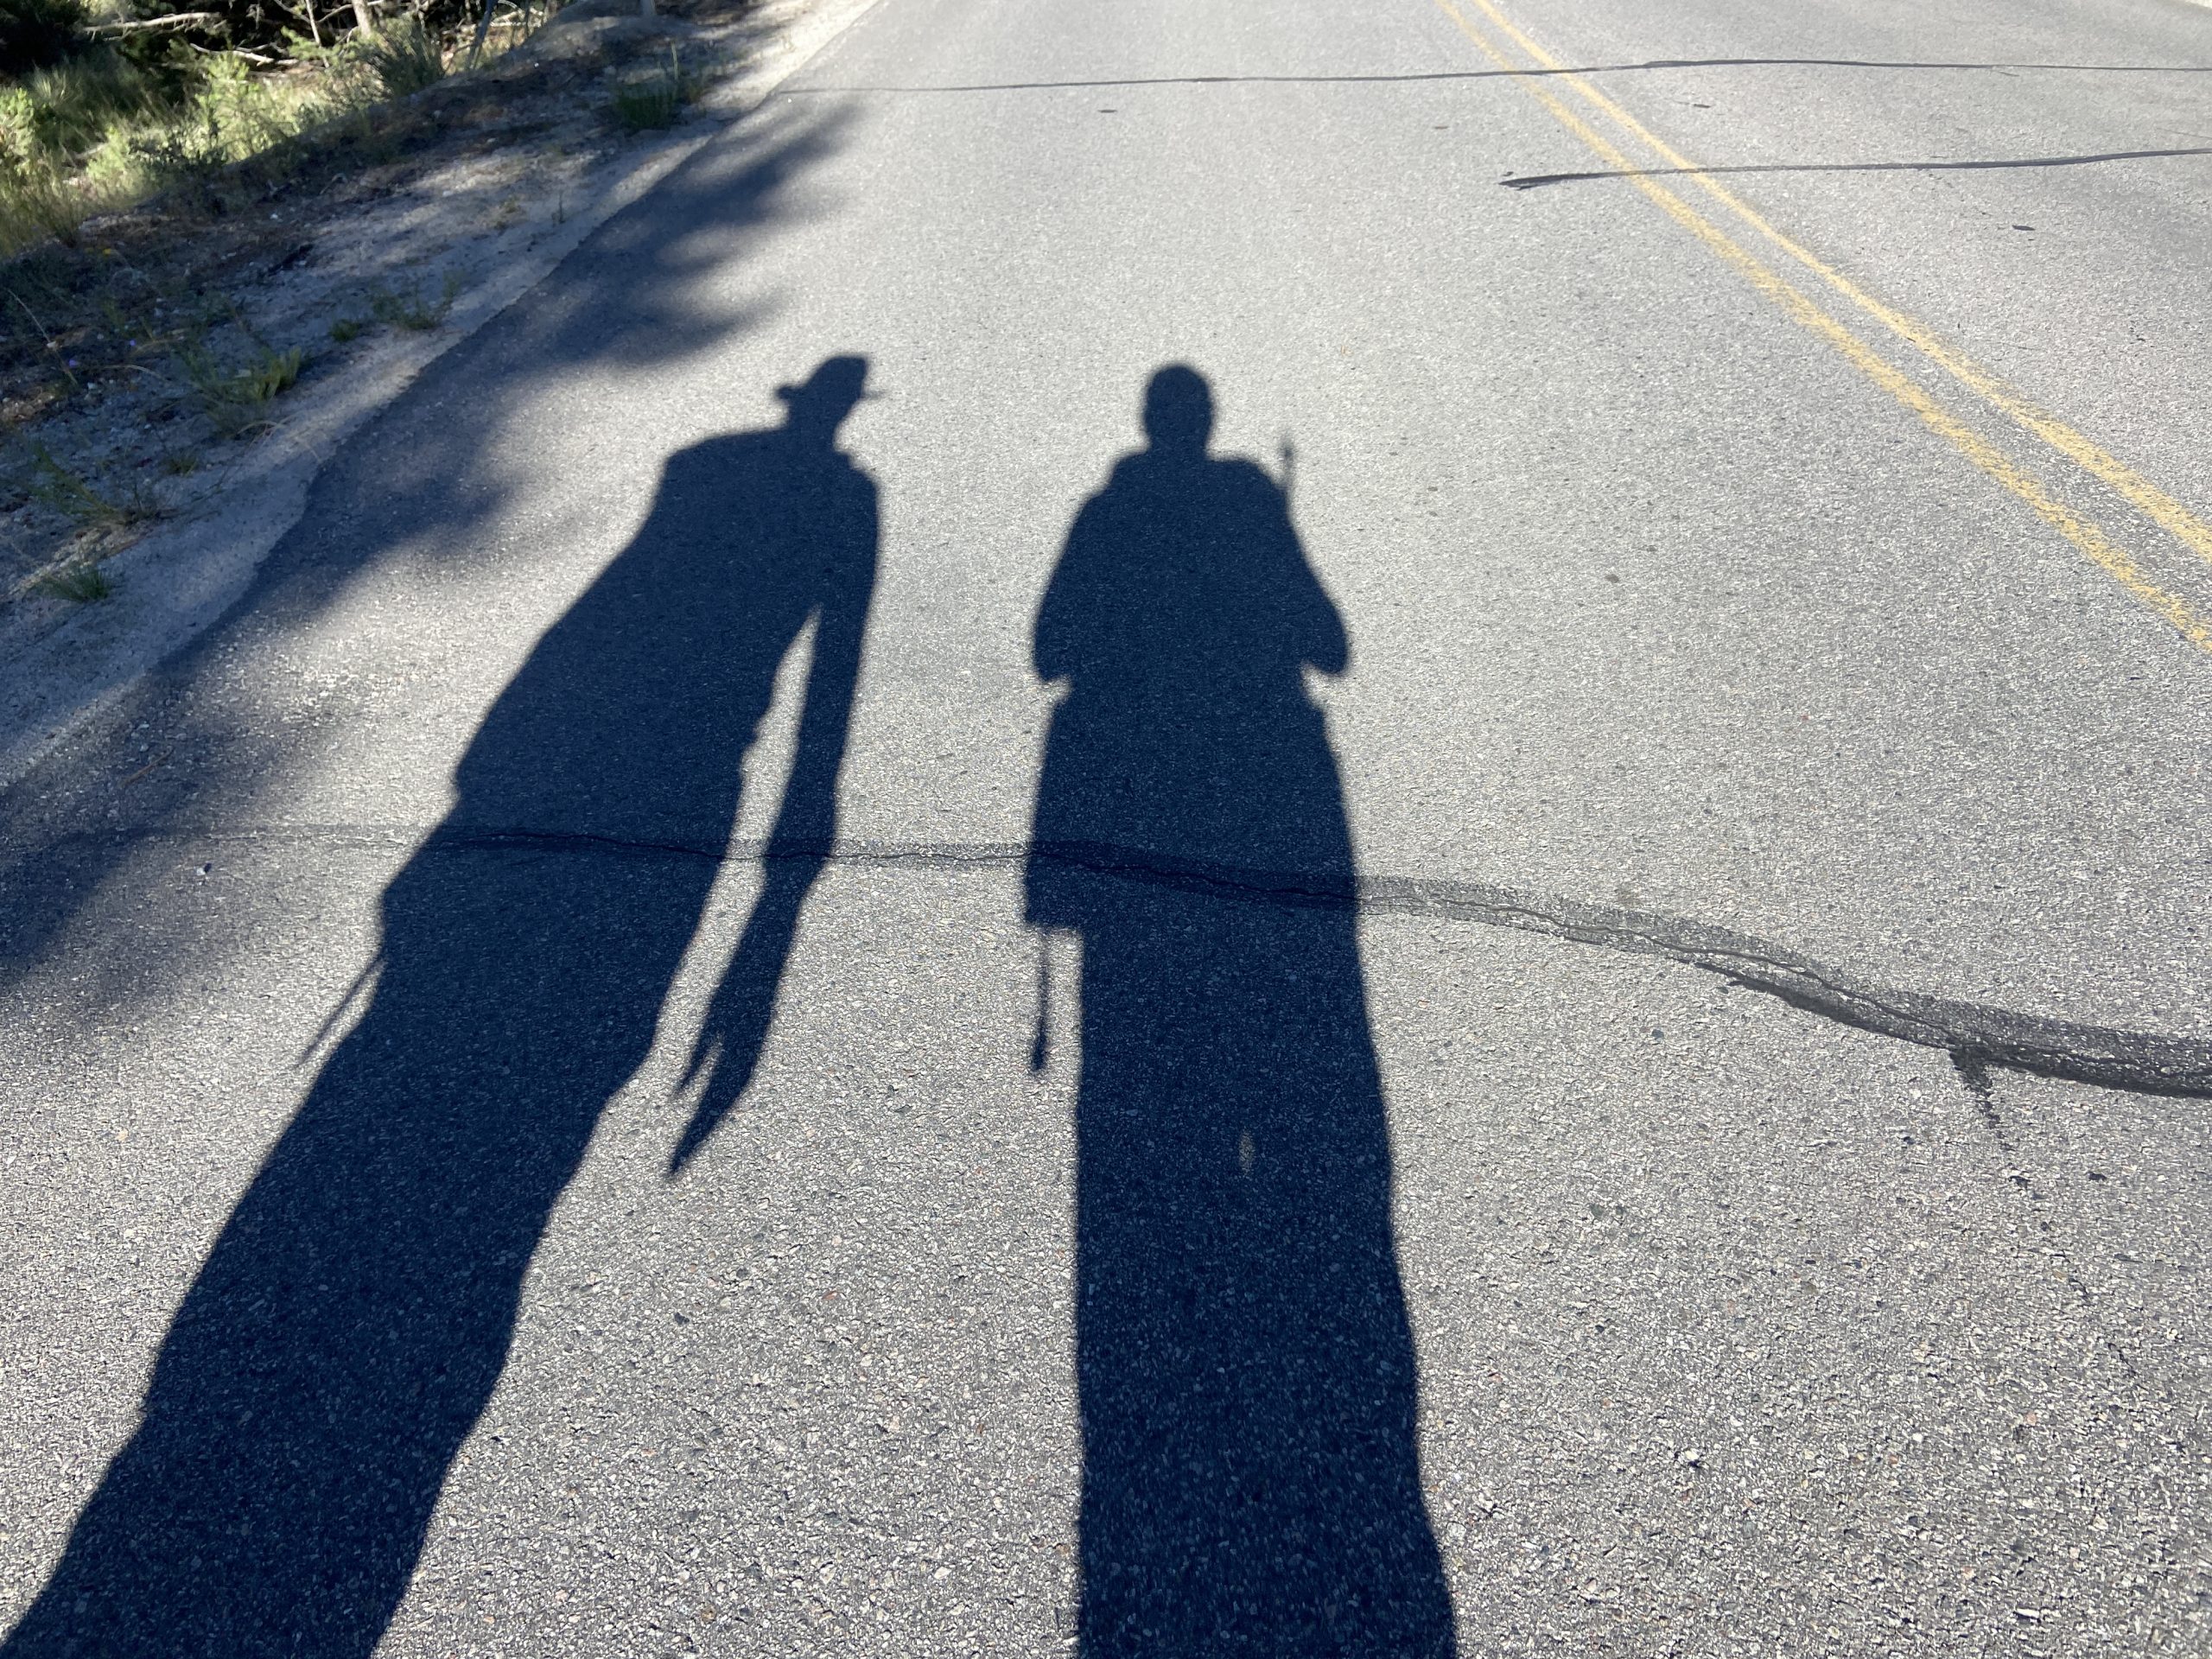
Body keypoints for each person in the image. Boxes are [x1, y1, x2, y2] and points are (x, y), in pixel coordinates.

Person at [4, 357, 879, 1659]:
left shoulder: (733, 470)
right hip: (636, 787)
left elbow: (697, 631)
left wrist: (778, 893)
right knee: (521, 1135)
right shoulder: (821, 487)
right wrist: (779, 897)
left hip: (529, 778)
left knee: (421, 1119)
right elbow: (820, 677)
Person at [1028, 365, 1457, 1656]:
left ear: (1145, 429)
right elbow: (1332, 646)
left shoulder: (1103, 514)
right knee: (1314, 1100)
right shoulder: (1256, 507)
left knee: (1148, 1110)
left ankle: (1186, 1356)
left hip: (1135, 822)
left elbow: (1050, 651)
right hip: (1272, 806)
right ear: (1208, 428)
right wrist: (1269, 549)